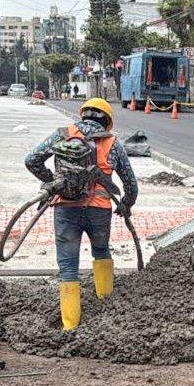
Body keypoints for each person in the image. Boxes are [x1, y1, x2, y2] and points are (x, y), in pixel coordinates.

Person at [25, 98, 138, 330]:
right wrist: (126, 204)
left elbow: (31, 160)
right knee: (101, 251)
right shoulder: (112, 143)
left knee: (68, 267)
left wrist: (53, 183)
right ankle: (105, 307)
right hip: (99, 211)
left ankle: (69, 325)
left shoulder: (62, 134)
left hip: (66, 208)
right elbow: (131, 183)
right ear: (107, 121)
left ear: (83, 114)